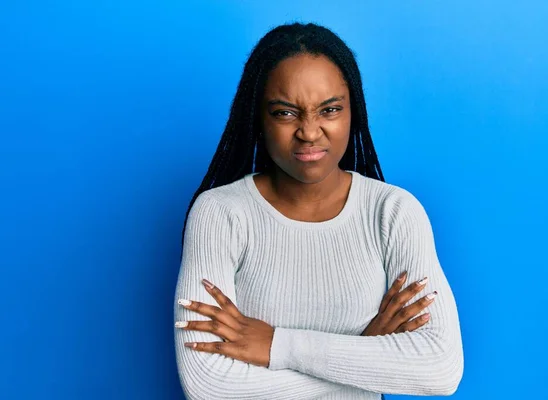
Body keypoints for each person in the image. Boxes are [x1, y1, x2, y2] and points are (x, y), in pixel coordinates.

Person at [173, 22, 464, 399]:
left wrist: (277, 346)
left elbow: (440, 369)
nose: (309, 132)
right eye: (285, 113)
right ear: (258, 119)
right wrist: (363, 356)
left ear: (352, 112)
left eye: (329, 109)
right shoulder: (220, 214)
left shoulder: (393, 213)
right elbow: (207, 386)